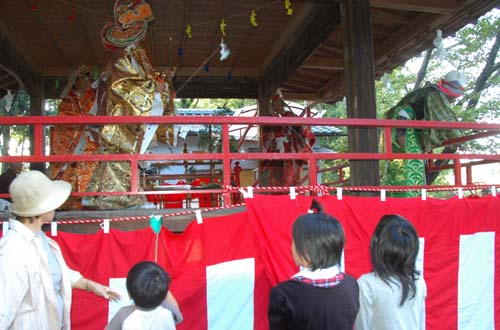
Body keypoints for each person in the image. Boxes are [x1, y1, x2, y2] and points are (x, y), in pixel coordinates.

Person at [84, 0, 175, 210]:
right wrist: (154, 87)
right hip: (121, 110)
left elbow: (146, 79)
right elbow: (123, 84)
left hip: (128, 111)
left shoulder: (136, 54)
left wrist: (160, 81)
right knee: (121, 152)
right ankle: (115, 198)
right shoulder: (122, 57)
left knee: (126, 155)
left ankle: (116, 197)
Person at [0, 170, 120, 329]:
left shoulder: (39, 237)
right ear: (41, 210)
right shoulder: (13, 250)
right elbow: (3, 312)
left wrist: (89, 285)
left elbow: (54, 273)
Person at [268, 200, 359, 330]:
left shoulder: (284, 294)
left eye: (293, 241)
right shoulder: (352, 285)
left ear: (306, 248)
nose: (291, 247)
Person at [384, 70, 467, 196]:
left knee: (399, 163)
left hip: (399, 123)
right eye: (453, 97)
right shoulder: (435, 95)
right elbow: (446, 119)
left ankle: (397, 195)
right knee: (413, 163)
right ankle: (410, 197)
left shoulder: (429, 91)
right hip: (405, 123)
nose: (453, 100)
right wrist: (459, 139)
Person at [354, 214, 426, 330]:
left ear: (376, 246)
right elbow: (420, 325)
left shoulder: (366, 284)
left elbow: (362, 326)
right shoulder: (418, 281)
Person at [50, 65, 100, 209]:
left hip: (89, 141)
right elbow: (66, 121)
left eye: (88, 79)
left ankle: (89, 199)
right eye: (83, 79)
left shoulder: (92, 100)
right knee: (69, 171)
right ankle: (68, 202)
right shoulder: (67, 102)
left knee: (93, 162)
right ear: (75, 82)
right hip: (73, 142)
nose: (87, 82)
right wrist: (85, 120)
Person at [106, 261, 183, 330]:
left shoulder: (124, 314)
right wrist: (160, 285)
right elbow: (179, 317)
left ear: (129, 295)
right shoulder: (168, 311)